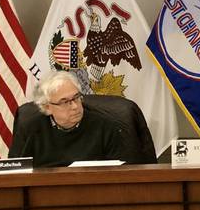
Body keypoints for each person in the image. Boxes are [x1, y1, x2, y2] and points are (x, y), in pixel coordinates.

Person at [8, 71, 138, 167]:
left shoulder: (105, 126)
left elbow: (122, 174)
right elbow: (15, 174)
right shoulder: (30, 128)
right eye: (65, 102)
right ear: (47, 107)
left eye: (76, 97)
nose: (75, 106)